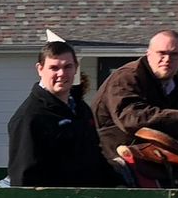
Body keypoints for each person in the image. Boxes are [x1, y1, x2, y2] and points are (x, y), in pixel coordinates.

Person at [7, 40, 120, 187]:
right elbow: (23, 179)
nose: (61, 74)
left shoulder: (81, 109)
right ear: (40, 69)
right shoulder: (30, 118)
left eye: (68, 67)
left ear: (76, 68)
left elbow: (94, 158)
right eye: (54, 68)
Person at [92, 29, 178, 158]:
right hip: (114, 159)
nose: (167, 59)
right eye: (161, 53)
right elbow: (131, 118)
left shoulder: (175, 86)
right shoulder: (127, 77)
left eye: (174, 54)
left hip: (152, 157)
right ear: (148, 54)